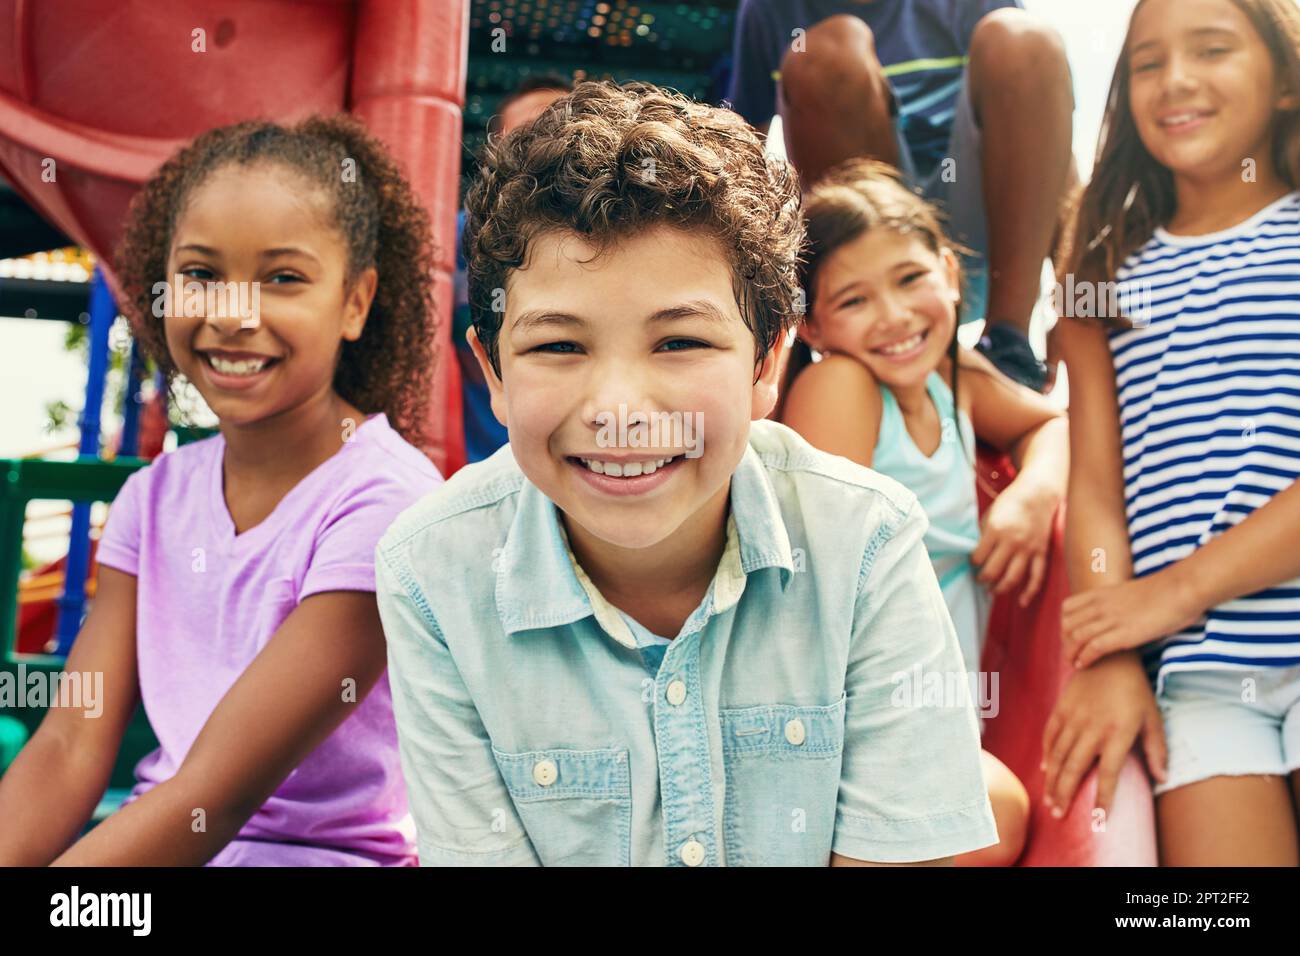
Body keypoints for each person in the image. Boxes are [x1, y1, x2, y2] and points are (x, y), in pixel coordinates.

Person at [377, 79, 998, 866]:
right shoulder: (433, 572)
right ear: (493, 374)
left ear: (768, 363)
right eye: (558, 346)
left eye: (679, 343)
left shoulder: (866, 543)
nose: (621, 411)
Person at [0, 115, 443, 865]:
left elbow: (218, 790)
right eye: (202, 274)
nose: (234, 315)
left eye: (283, 279)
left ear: (356, 302)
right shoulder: (156, 495)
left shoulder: (386, 502)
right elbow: (72, 739)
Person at [1046, 0, 1300, 866]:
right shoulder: (1100, 281)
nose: (1176, 80)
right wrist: (1111, 651)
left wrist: (1176, 591)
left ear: (1286, 81)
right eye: (1147, 62)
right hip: (1198, 676)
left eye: (1213, 49)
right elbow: (1093, 490)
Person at [779, 157, 1069, 864]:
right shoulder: (841, 386)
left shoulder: (954, 381)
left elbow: (1053, 424)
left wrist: (1031, 496)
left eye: (911, 279)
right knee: (997, 808)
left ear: (947, 268)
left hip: (930, 722)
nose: (897, 316)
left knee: (1001, 808)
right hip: (852, 722)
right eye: (854, 300)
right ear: (812, 328)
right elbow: (822, 594)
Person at [727, 0, 1077, 391]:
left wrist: (1077, 300)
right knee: (828, 50)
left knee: (1022, 38)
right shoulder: (767, 12)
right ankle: (867, 339)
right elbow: (743, 167)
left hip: (986, 236)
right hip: (866, 238)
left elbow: (1048, 145)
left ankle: (1008, 344)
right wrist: (763, 335)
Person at [456, 74, 574, 462]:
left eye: (561, 127)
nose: (545, 145)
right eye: (527, 135)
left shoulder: (627, 239)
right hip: (478, 463)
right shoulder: (454, 242)